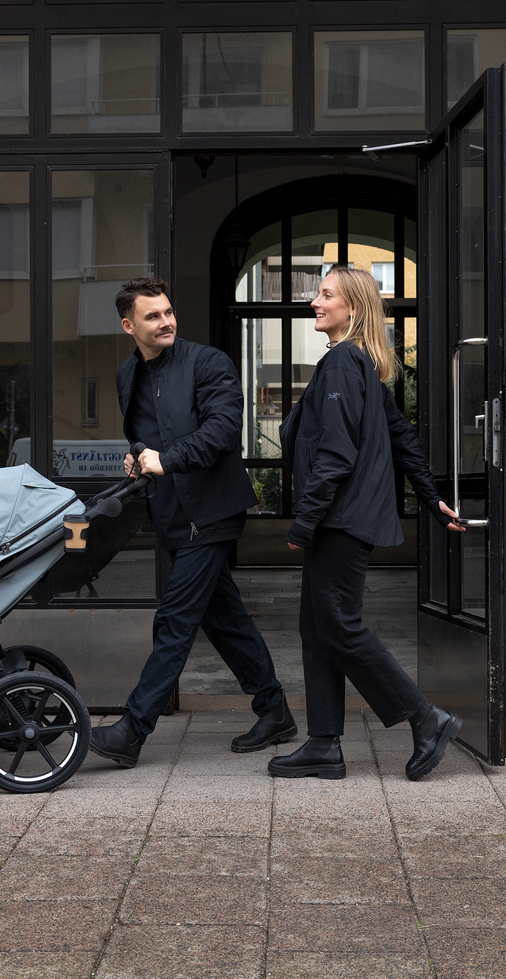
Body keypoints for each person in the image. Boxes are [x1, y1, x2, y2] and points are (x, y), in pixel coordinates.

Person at [269, 264, 466, 783]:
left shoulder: (340, 366)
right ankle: (323, 744)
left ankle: (427, 719)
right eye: (318, 293)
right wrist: (432, 499)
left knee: (337, 623)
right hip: (346, 517)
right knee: (317, 627)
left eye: (326, 294)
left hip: (340, 518)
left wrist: (303, 524)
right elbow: (402, 438)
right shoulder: (359, 366)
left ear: (352, 309)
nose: (316, 301)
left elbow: (335, 454)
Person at [89, 277, 296, 768]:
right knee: (225, 620)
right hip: (172, 515)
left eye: (168, 312)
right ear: (128, 326)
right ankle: (275, 711)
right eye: (153, 316)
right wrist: (137, 458)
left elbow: (223, 430)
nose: (166, 322)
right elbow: (146, 439)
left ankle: (132, 729)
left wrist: (167, 459)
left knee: (176, 619)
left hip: (213, 514)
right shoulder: (126, 375)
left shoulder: (207, 363)